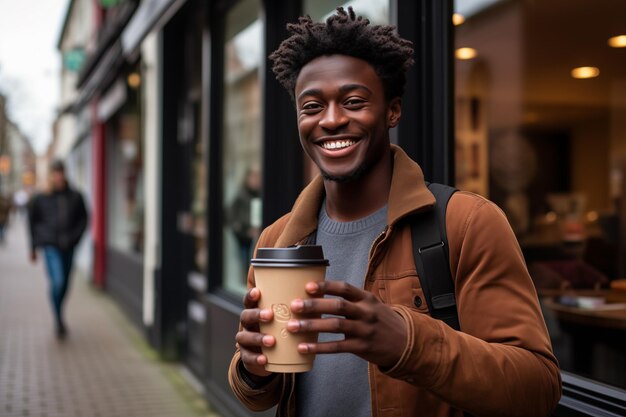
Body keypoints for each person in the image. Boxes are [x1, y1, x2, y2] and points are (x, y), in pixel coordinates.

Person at [228, 7, 561, 417]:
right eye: (311, 107)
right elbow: (260, 396)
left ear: (392, 111)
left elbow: (537, 389)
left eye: (353, 101)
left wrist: (407, 341)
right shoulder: (277, 241)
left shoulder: (466, 223)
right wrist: (251, 368)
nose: (330, 120)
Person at [28, 160, 88, 338]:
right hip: (50, 246)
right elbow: (32, 222)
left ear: (64, 173)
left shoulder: (75, 196)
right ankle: (58, 317)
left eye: (60, 172)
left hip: (69, 247)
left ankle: (59, 310)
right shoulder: (41, 198)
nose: (58, 176)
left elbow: (84, 219)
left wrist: (75, 239)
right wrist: (34, 246)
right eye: (55, 173)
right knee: (58, 281)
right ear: (51, 175)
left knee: (66, 284)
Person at [228, 167, 262, 274]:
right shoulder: (240, 195)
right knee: (245, 264)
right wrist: (244, 230)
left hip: (257, 236)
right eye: (253, 177)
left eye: (257, 177)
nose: (255, 180)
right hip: (243, 239)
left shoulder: (260, 194)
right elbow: (232, 217)